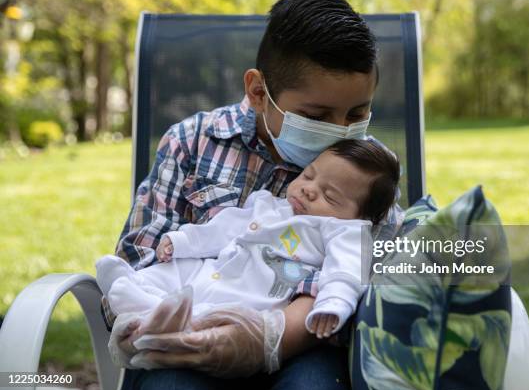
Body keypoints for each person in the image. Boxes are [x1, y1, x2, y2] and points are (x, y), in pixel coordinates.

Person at [103, 0, 403, 390]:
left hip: (305, 348)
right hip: (188, 330)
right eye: (316, 117)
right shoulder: (192, 141)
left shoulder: (371, 170)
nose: (341, 130)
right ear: (259, 92)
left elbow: (376, 285)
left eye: (358, 113)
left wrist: (275, 334)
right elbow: (139, 258)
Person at [96, 140, 400, 373]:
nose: (308, 190)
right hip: (211, 270)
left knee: (206, 319)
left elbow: (347, 271)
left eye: (330, 196)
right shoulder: (266, 204)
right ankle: (134, 288)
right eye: (308, 176)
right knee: (174, 270)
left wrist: (334, 303)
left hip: (253, 298)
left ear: (363, 217)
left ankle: (152, 313)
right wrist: (182, 241)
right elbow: (222, 229)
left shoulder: (344, 231)